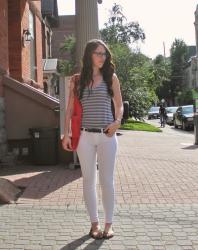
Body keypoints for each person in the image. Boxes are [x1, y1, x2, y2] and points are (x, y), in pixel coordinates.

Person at [62, 39, 123, 239]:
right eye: (98, 53)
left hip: (107, 136)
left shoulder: (111, 77)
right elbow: (69, 109)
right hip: (85, 136)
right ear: (89, 55)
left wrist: (117, 121)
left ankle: (109, 224)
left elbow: (119, 104)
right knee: (89, 180)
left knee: (107, 181)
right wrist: (66, 133)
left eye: (104, 54)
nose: (102, 57)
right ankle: (94, 224)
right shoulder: (77, 80)